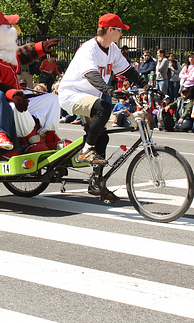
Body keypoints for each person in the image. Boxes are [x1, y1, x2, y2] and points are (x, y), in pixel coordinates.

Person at [58, 12, 146, 201]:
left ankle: (96, 184)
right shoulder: (88, 49)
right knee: (103, 108)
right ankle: (85, 151)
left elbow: (129, 71)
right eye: (120, 29)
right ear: (110, 29)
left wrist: (147, 85)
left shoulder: (112, 49)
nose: (122, 33)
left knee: (103, 138)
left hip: (91, 97)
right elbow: (91, 75)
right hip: (72, 95)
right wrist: (109, 90)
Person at [0, 6, 65, 152]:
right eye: (8, 26)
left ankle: (49, 137)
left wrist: (40, 47)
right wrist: (14, 95)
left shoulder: (4, 53)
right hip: (5, 103)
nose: (13, 29)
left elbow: (21, 55)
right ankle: (32, 141)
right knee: (17, 107)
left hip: (18, 96)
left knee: (52, 99)